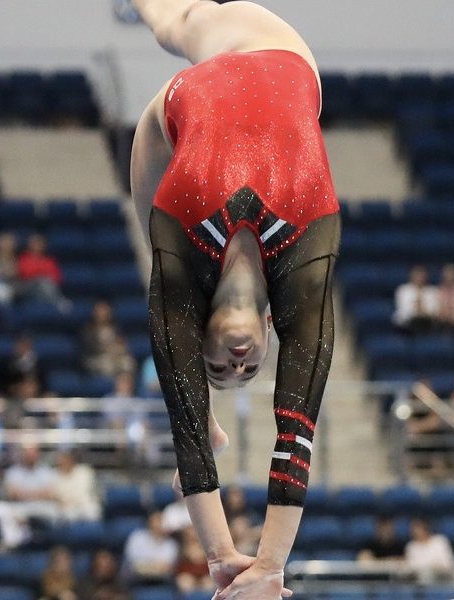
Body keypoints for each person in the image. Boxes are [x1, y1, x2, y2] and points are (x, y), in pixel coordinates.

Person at [130, 2, 342, 596]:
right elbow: (296, 432)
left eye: (221, 367)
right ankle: (210, 418)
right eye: (249, 368)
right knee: (190, 22)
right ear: (274, 329)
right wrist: (268, 565)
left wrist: (220, 554)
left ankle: (209, 416)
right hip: (274, 53)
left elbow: (187, 442)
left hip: (176, 111)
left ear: (200, 335)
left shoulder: (182, 264)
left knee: (171, 22)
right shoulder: (306, 263)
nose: (240, 360)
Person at [2, 443, 59, 525]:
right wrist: (39, 493)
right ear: (23, 454)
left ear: (38, 454)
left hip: (42, 507)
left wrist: (24, 493)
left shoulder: (46, 471)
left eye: (33, 453)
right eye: (27, 453)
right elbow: (13, 494)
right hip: (21, 507)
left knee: (55, 511)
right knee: (7, 513)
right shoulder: (13, 472)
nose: (30, 456)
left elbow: (50, 494)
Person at [80, 300, 136, 377]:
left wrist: (120, 348)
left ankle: (125, 386)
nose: (104, 313)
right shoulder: (88, 330)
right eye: (101, 311)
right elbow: (90, 347)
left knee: (128, 362)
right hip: (96, 358)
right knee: (108, 364)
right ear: (95, 313)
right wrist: (107, 350)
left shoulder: (116, 328)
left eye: (106, 310)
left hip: (116, 355)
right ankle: (110, 386)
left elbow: (122, 342)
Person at [16, 234, 70, 310]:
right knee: (42, 282)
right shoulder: (23, 259)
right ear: (29, 244)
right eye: (34, 243)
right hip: (28, 288)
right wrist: (42, 274)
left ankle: (54, 304)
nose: (37, 245)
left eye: (40, 243)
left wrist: (40, 273)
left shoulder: (49, 260)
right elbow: (26, 274)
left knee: (45, 284)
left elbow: (57, 277)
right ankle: (59, 302)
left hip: (46, 288)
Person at [123, 511, 179, 583]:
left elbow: (167, 568)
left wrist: (146, 566)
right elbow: (134, 565)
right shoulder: (137, 537)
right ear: (149, 522)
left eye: (161, 521)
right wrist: (155, 567)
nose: (158, 524)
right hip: (136, 580)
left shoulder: (171, 544)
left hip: (162, 582)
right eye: (155, 521)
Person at [51, 450, 102, 522]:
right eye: (60, 461)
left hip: (86, 507)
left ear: (71, 459)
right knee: (63, 514)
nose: (63, 463)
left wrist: (67, 499)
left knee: (93, 511)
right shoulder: (55, 476)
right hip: (68, 509)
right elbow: (57, 497)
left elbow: (82, 494)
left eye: (65, 459)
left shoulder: (85, 471)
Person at [393, 265, 441, 333]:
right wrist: (418, 312)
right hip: (406, 325)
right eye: (417, 274)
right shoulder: (403, 290)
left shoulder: (432, 291)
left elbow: (434, 310)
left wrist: (424, 313)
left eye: (422, 275)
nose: (420, 277)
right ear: (411, 275)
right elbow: (404, 310)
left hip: (428, 324)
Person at [177, 528, 216, 594]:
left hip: (205, 573)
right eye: (190, 532)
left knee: (208, 584)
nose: (192, 534)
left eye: (194, 532)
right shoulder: (182, 548)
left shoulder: (208, 545)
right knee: (184, 582)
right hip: (188, 574)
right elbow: (179, 566)